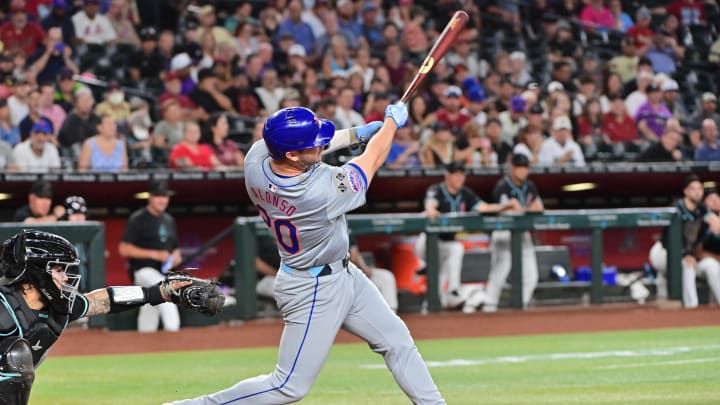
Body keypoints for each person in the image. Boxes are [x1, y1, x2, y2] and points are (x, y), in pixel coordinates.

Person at [167, 101, 447, 404]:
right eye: (313, 144)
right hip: (313, 287)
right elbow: (373, 159)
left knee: (397, 341)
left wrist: (356, 134)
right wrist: (390, 126)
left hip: (344, 274)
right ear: (291, 155)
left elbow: (312, 147)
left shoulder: (257, 158)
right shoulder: (317, 192)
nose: (320, 144)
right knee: (287, 386)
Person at [0, 229, 218, 403]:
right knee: (15, 356)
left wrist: (161, 292)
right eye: (57, 269)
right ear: (34, 274)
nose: (66, 277)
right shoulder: (4, 307)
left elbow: (101, 301)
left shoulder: (57, 307)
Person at [415, 161, 510, 309]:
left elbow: (483, 207)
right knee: (453, 251)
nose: (460, 178)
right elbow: (431, 203)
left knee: (448, 260)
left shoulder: (465, 193)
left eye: (462, 175)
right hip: (428, 242)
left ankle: (439, 301)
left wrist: (505, 206)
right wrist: (430, 209)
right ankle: (428, 268)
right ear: (447, 175)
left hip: (446, 245)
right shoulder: (436, 189)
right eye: (456, 174)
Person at [118, 180, 182, 332]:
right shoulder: (139, 218)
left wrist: (174, 258)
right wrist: (154, 254)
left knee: (149, 308)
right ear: (150, 198)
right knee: (166, 293)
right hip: (142, 270)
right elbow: (123, 249)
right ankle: (174, 335)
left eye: (165, 196)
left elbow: (176, 249)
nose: (162, 200)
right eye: (158, 196)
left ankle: (144, 343)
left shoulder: (168, 220)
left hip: (162, 271)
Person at [483, 154, 544, 312]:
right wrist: (527, 209)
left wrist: (523, 209)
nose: (522, 171)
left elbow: (539, 207)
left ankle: (520, 307)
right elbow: (508, 212)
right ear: (512, 167)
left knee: (531, 276)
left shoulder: (530, 186)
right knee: (499, 273)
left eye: (524, 167)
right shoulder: (502, 185)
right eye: (519, 167)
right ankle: (489, 307)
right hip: (503, 233)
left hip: (523, 234)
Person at [648, 175, 720, 306]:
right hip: (662, 252)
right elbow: (666, 240)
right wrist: (685, 254)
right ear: (686, 191)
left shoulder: (702, 210)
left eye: (700, 189)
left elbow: (714, 223)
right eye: (693, 189)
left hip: (687, 254)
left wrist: (715, 222)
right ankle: (691, 307)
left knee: (711, 265)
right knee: (687, 264)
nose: (697, 192)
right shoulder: (676, 209)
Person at [349, 232, 398, 312]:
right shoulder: (333, 231)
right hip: (342, 277)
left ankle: (390, 314)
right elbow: (354, 258)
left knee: (386, 277)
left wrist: (365, 269)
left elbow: (355, 255)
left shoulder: (346, 230)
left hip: (354, 274)